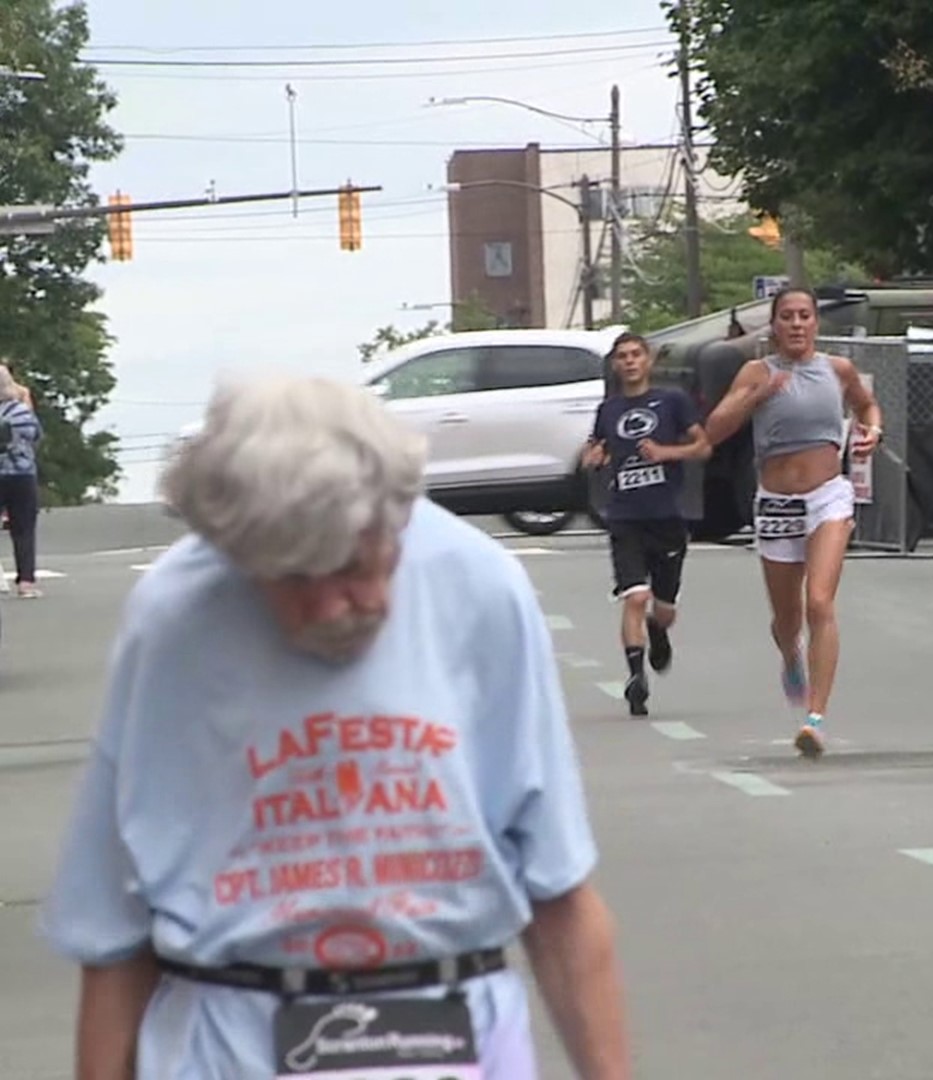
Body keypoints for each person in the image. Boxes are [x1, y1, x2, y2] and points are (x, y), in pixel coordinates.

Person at [41, 374, 633, 1079]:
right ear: (234, 553)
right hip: (234, 1038)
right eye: (291, 577)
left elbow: (558, 894)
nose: (329, 607)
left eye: (353, 566)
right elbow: (117, 927)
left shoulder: (478, 585)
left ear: (397, 516)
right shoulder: (176, 614)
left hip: (453, 1029)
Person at [701, 285, 882, 758]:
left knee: (820, 601)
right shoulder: (756, 372)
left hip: (828, 496)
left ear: (816, 323)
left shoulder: (837, 370)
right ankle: (789, 654)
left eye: (805, 316)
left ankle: (815, 720)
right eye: (787, 317)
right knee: (788, 620)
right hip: (778, 501)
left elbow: (865, 404)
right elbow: (715, 430)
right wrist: (755, 396)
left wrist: (872, 431)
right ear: (774, 326)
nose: (797, 324)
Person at [582, 331, 710, 717]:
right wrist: (594, 456)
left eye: (636, 355)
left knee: (664, 607)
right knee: (635, 596)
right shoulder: (609, 409)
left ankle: (658, 630)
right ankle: (636, 679)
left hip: (667, 515)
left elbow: (703, 447)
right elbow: (596, 446)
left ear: (648, 360)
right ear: (615, 364)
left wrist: (665, 453)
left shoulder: (672, 401)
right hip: (624, 516)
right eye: (622, 356)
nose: (630, 362)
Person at [0, 364, 42, 599]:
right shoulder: (22, 413)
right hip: (22, 475)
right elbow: (36, 435)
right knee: (24, 529)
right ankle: (26, 582)